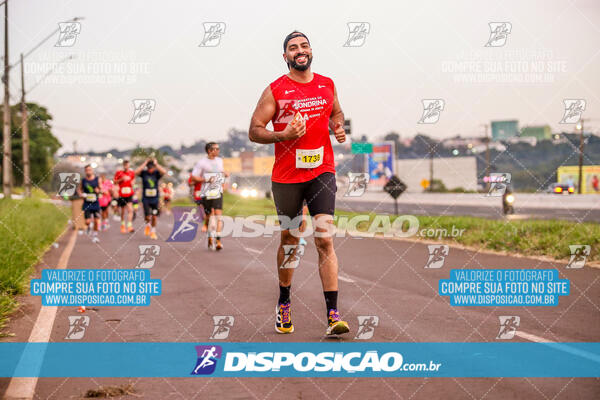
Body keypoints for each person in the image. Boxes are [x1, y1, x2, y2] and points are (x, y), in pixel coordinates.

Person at [249, 31, 349, 336]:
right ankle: (284, 302)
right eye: (293, 48)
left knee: (324, 238)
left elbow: (337, 111)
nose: (300, 51)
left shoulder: (327, 84)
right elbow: (254, 130)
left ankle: (333, 316)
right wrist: (283, 135)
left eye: (304, 46)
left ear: (311, 51)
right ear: (286, 57)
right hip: (287, 177)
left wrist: (338, 126)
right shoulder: (275, 90)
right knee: (290, 240)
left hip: (322, 171)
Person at [190, 142, 228, 251]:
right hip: (206, 192)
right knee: (209, 217)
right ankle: (210, 234)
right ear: (209, 151)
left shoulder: (220, 161)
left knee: (218, 215)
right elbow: (193, 177)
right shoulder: (201, 163)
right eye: (216, 149)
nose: (218, 150)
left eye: (218, 148)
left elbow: (221, 172)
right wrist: (205, 179)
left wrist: (225, 174)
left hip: (217, 191)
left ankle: (218, 240)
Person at [136, 158, 166, 240]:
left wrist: (157, 164)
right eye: (149, 168)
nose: (150, 170)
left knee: (154, 216)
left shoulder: (156, 173)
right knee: (147, 217)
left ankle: (153, 231)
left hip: (155, 199)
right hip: (146, 198)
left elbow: (164, 172)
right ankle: (147, 225)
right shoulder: (144, 173)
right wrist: (145, 162)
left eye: (152, 168)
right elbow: (136, 172)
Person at [78, 164, 101, 243]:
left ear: (92, 170)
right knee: (87, 221)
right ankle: (88, 227)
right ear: (85, 171)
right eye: (87, 170)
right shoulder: (83, 180)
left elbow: (101, 189)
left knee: (96, 220)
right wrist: (81, 194)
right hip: (87, 203)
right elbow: (79, 189)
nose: (88, 171)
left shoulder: (97, 179)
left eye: (90, 170)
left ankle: (95, 236)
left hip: (95, 203)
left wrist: (99, 190)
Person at [114, 159, 135, 233]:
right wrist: (121, 179)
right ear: (123, 165)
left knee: (130, 210)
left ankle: (129, 225)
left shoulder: (132, 173)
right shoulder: (119, 173)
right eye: (125, 165)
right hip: (122, 194)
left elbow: (133, 181)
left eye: (127, 165)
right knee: (123, 211)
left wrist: (133, 184)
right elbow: (115, 181)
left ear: (129, 165)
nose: (126, 166)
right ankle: (122, 225)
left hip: (129, 194)